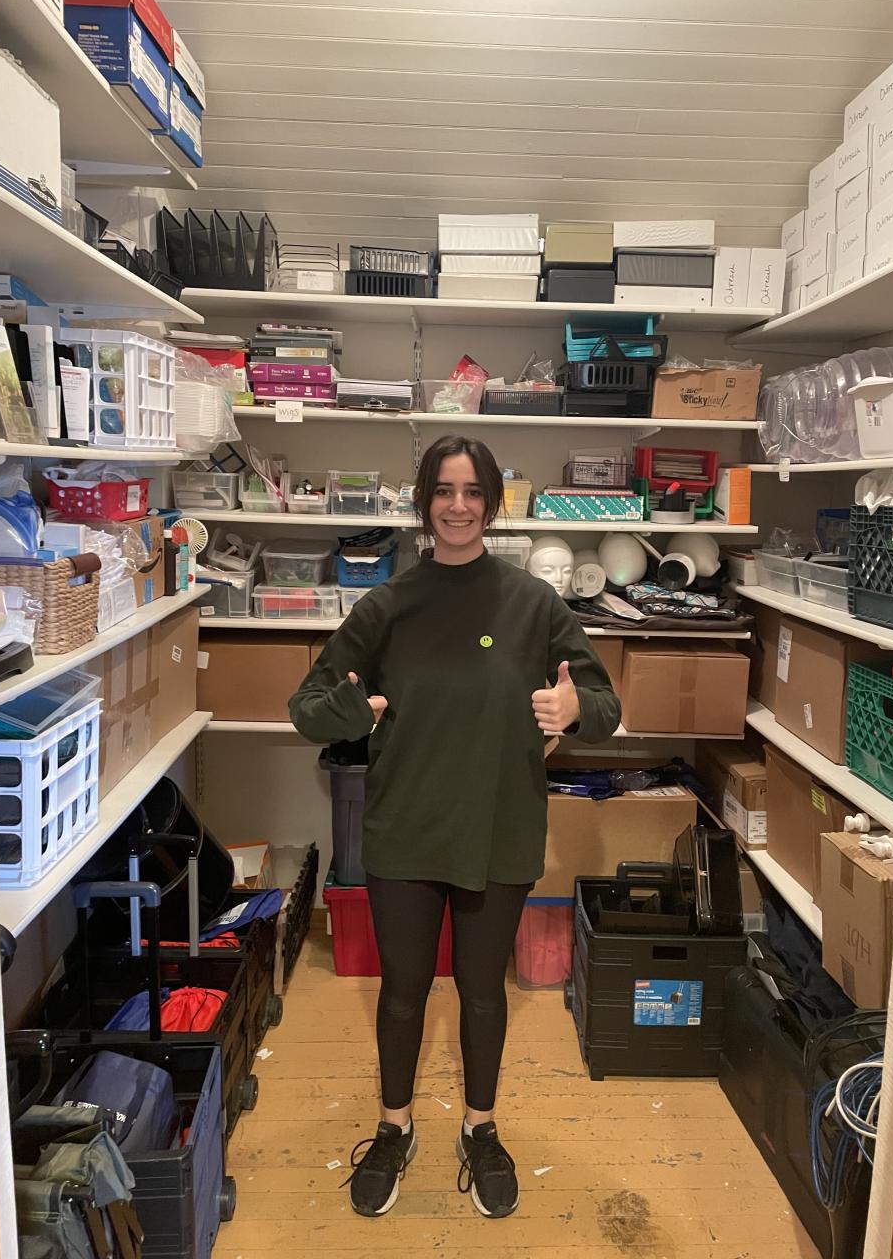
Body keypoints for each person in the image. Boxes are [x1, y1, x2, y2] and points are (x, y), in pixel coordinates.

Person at [289, 435, 621, 1220]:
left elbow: (606, 706)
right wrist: (355, 709)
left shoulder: (534, 604)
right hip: (406, 828)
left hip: (499, 826)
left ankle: (481, 1127)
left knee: (481, 991)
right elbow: (308, 707)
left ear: (493, 503)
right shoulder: (388, 606)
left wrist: (574, 708)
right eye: (444, 490)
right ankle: (394, 1127)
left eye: (473, 492)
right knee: (403, 991)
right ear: (424, 502)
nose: (458, 506)